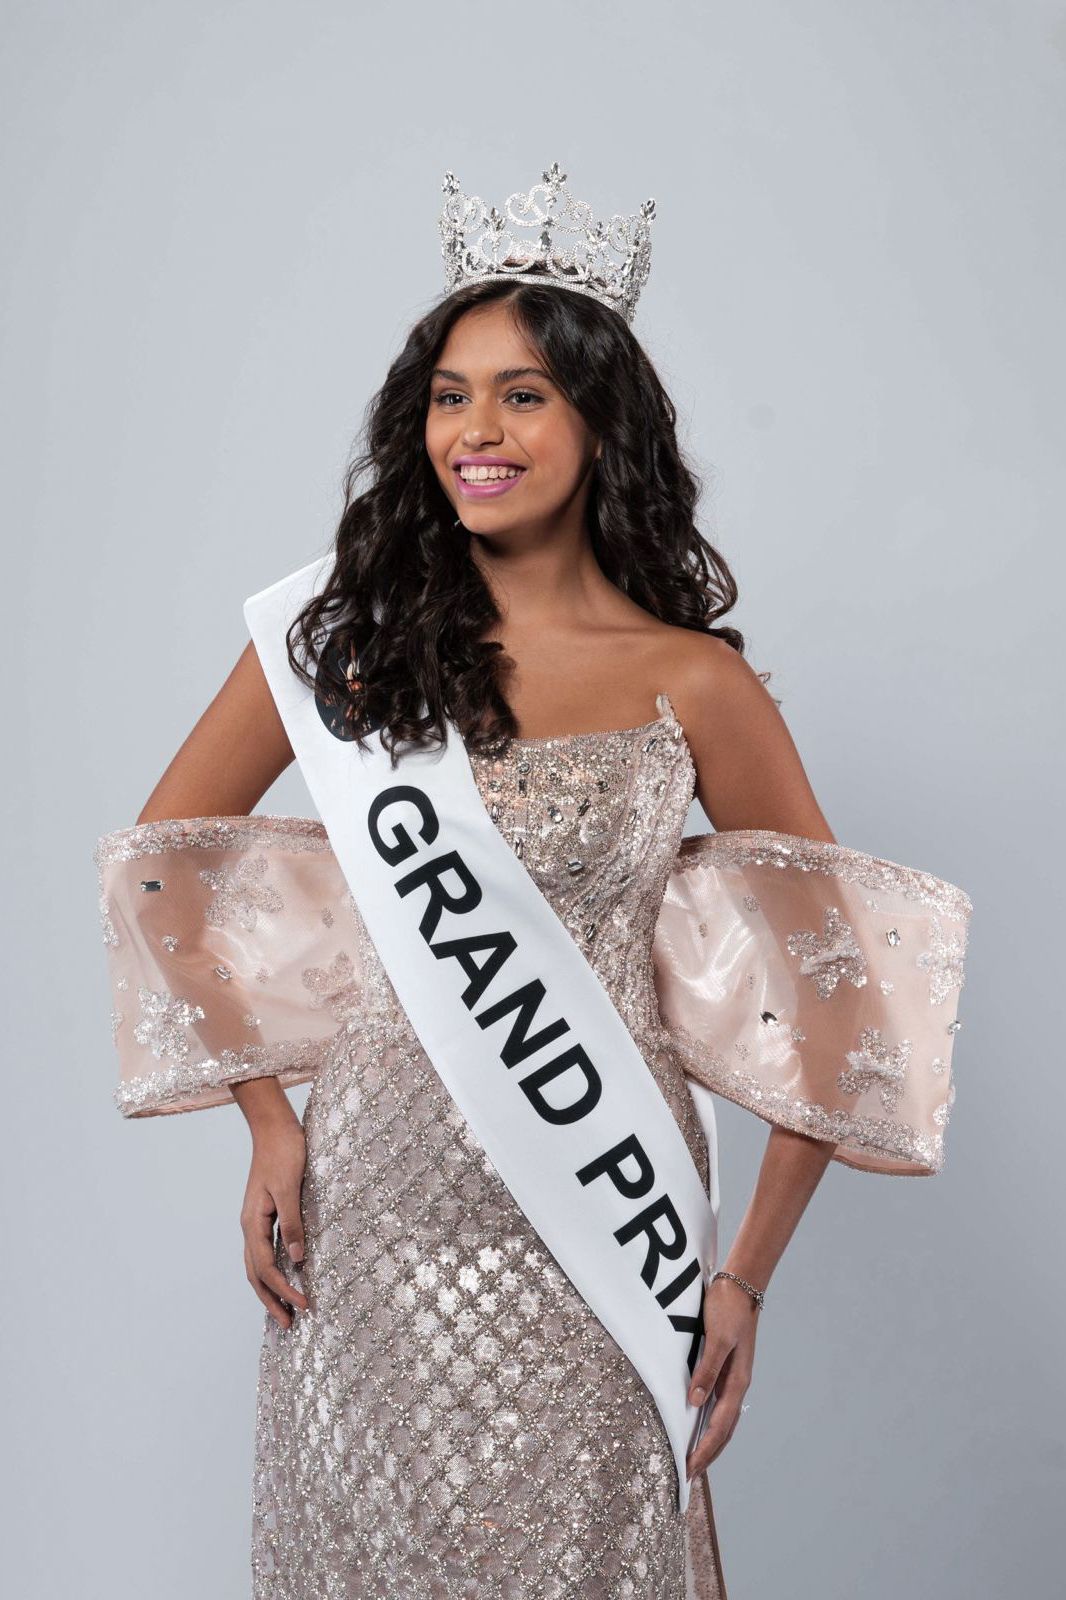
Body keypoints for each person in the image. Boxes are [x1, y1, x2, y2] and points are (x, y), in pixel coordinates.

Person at [94, 164, 971, 1600]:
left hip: (604, 1204)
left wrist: (743, 1275)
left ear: (600, 423)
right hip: (370, 1215)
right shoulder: (344, 644)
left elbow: (842, 1005)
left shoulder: (694, 683)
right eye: (449, 396)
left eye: (522, 395)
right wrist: (265, 1121)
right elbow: (161, 866)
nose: (476, 432)